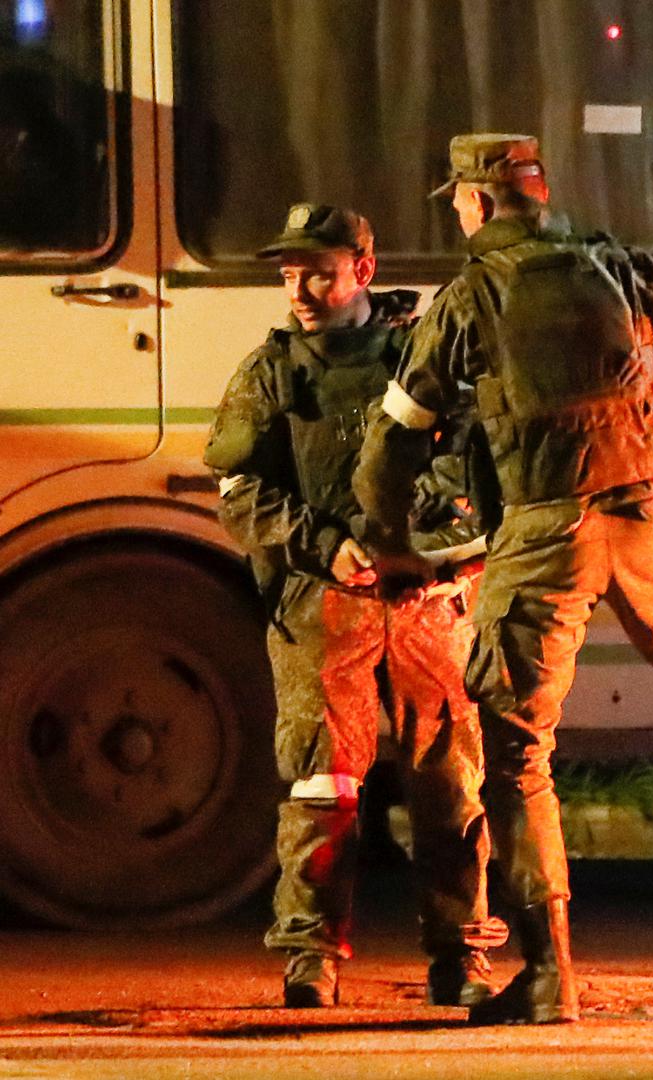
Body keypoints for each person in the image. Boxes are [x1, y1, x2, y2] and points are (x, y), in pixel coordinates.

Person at [354, 134, 653, 1025]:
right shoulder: (626, 270)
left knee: (518, 751)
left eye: (458, 203)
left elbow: (393, 442)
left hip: (544, 535)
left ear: (478, 202)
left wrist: (392, 548)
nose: (459, 215)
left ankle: (550, 975)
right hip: (651, 524)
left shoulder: (467, 300)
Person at [204, 204, 501, 1008]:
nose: (299, 291)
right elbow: (238, 491)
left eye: (318, 273)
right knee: (321, 784)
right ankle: (311, 957)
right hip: (323, 604)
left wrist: (445, 553)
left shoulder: (427, 358)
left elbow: (480, 464)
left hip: (428, 602)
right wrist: (324, 546)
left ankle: (462, 957)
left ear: (363, 270)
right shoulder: (271, 374)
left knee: (449, 784)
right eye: (289, 275)